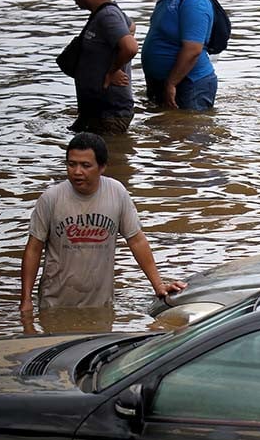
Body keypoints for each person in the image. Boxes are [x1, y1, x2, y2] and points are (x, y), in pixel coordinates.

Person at [19, 132, 186, 312]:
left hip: (101, 304)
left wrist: (158, 285)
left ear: (102, 167)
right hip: (54, 303)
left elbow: (136, 241)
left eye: (85, 165)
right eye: (71, 164)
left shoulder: (117, 193)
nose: (77, 172)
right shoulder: (51, 198)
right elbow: (33, 249)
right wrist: (26, 299)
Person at [141, 0, 217, 111]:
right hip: (168, 83)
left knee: (187, 134)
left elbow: (193, 50)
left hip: (190, 86)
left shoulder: (195, 2)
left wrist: (171, 84)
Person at [68, 0, 137, 134]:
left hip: (110, 112)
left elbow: (130, 47)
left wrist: (113, 71)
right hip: (96, 109)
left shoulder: (108, 15)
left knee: (108, 159)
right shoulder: (107, 12)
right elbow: (131, 26)